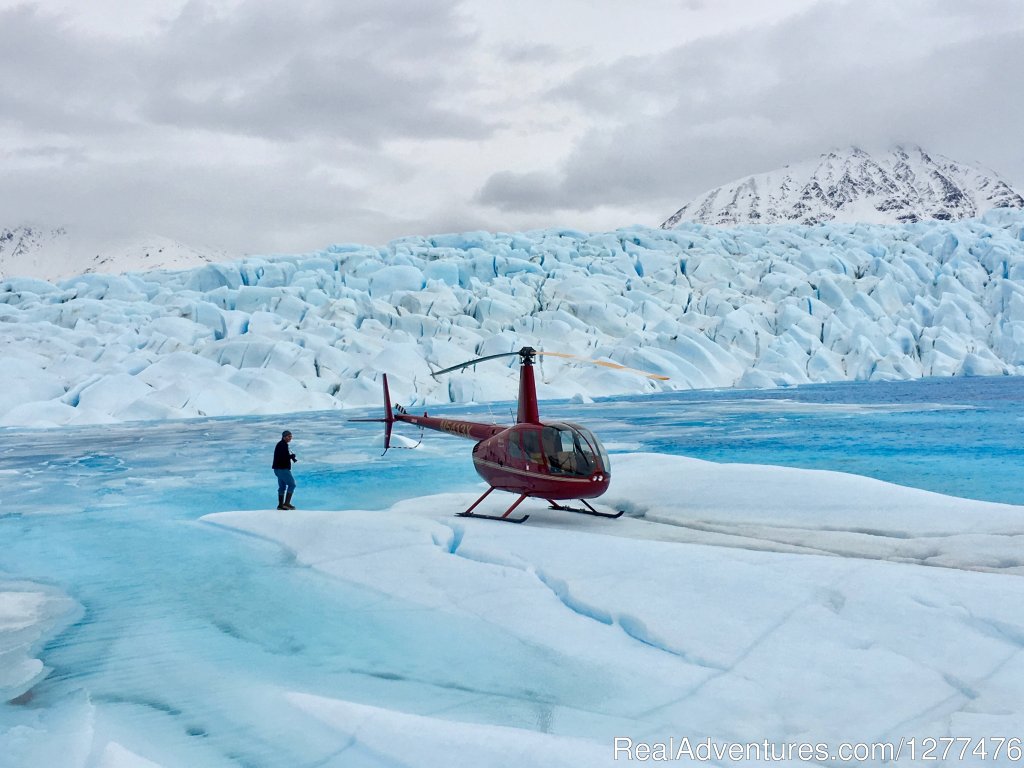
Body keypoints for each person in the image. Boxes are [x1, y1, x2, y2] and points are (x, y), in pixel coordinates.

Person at [273, 430, 298, 510]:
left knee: (282, 487)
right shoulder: (282, 445)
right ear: (284, 437)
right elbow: (282, 458)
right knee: (292, 485)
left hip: (277, 470)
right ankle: (286, 504)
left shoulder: (282, 444)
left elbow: (282, 456)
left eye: (291, 436)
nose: (290, 438)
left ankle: (280, 505)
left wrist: (290, 456)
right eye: (288, 436)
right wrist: (291, 457)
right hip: (282, 469)